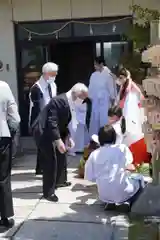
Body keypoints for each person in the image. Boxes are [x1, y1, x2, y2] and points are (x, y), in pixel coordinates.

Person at [39, 83, 88, 202]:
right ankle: (48, 192)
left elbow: (64, 122)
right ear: (76, 94)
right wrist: (58, 140)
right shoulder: (59, 101)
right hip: (44, 131)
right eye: (83, 98)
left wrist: (68, 137)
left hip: (56, 130)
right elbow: (52, 122)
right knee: (51, 160)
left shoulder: (69, 102)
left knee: (61, 155)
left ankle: (60, 181)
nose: (83, 101)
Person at [84, 125, 144, 208]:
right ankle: (133, 205)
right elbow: (129, 164)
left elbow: (89, 177)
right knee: (140, 179)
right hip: (123, 191)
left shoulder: (94, 154)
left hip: (103, 194)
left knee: (110, 182)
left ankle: (110, 202)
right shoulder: (122, 148)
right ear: (114, 137)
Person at [116, 68, 151, 166]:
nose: (120, 79)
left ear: (125, 77)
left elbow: (132, 105)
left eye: (121, 77)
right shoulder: (124, 87)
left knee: (131, 137)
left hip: (131, 118)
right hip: (124, 117)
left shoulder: (132, 88)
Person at [29, 62, 58, 175]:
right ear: (46, 74)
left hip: (50, 118)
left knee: (45, 147)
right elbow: (40, 108)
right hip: (39, 120)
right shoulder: (37, 88)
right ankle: (42, 169)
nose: (54, 77)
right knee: (43, 146)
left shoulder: (53, 85)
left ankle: (40, 168)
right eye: (53, 74)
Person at [0, 81, 20, 229]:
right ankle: (5, 217)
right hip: (1, 136)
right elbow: (15, 117)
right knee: (3, 178)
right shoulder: (4, 86)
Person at [88, 56, 117, 137]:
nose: (94, 66)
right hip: (96, 101)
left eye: (96, 64)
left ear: (101, 64)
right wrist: (91, 97)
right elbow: (91, 88)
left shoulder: (108, 74)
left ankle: (105, 136)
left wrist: (113, 101)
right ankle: (95, 138)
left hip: (105, 101)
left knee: (104, 119)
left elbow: (112, 89)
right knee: (95, 119)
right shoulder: (93, 75)